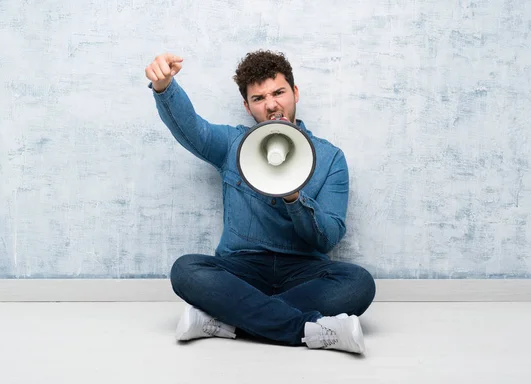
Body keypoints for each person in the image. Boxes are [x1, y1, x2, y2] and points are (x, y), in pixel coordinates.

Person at [145, 50, 376, 354]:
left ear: (295, 92)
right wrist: (164, 87)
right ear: (247, 106)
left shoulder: (331, 157)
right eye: (258, 98)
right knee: (186, 270)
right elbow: (192, 129)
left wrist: (294, 197)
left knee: (358, 282)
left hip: (304, 273)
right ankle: (306, 330)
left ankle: (226, 321)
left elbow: (328, 238)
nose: (271, 105)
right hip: (241, 270)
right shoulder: (233, 144)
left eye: (279, 92)